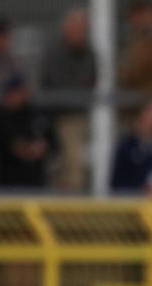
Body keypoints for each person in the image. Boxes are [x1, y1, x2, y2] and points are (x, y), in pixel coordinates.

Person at [40, 8, 97, 191]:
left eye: (82, 29)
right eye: (76, 28)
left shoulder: (89, 53)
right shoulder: (55, 52)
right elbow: (54, 82)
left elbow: (89, 81)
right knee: (64, 167)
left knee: (76, 166)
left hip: (77, 117)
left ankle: (72, 209)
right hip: (54, 116)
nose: (79, 33)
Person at [0, 76, 55, 188]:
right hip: (7, 182)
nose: (15, 97)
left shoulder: (37, 114)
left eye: (19, 92)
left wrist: (42, 147)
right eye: (12, 93)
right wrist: (20, 148)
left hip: (36, 181)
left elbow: (53, 142)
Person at [110, 101, 152, 194]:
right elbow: (117, 182)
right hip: (130, 201)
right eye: (148, 115)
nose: (151, 121)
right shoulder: (126, 147)